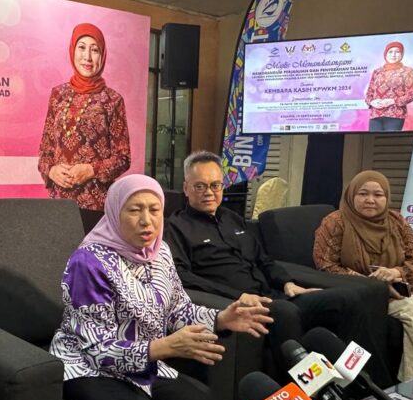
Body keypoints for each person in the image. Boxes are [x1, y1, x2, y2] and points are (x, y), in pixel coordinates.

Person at [50, 174, 272, 400]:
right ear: (114, 213)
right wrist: (164, 348)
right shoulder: (89, 262)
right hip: (86, 366)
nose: (146, 220)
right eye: (134, 210)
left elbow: (178, 309)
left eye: (154, 210)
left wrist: (221, 318)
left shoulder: (160, 253)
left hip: (143, 360)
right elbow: (97, 349)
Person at [164, 151, 394, 383]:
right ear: (186, 188)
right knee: (285, 312)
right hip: (242, 303)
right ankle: (312, 391)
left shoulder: (232, 219)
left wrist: (288, 283)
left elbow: (264, 259)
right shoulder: (176, 227)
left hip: (276, 295)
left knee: (349, 300)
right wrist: (237, 297)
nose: (209, 192)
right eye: (200, 186)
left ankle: (368, 385)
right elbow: (182, 276)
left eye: (215, 185)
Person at [313, 170, 413, 388]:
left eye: (378, 195)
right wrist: (371, 282)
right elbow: (325, 265)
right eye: (363, 193)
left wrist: (397, 272)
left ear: (386, 197)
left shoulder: (396, 220)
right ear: (351, 195)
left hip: (404, 286)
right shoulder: (335, 222)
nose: (370, 200)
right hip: (364, 292)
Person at [38, 22, 131, 211]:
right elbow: (45, 152)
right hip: (59, 202)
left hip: (96, 204)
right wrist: (52, 171)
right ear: (73, 50)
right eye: (81, 48)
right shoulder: (58, 95)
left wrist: (91, 170)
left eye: (95, 50)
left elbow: (123, 158)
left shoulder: (113, 100)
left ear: (102, 55)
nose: (87, 57)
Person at [365, 41, 413, 132]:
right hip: (376, 115)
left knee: (389, 139)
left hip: (395, 114)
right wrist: (372, 102)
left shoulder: (407, 71)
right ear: (385, 54)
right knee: (371, 139)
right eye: (390, 52)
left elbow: (412, 94)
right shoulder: (377, 71)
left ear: (402, 54)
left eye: (397, 52)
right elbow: (369, 93)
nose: (393, 55)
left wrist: (392, 101)